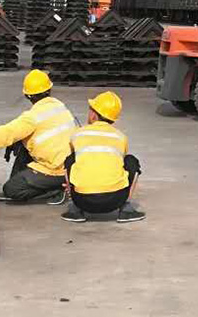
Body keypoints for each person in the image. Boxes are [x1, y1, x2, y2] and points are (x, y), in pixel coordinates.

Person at [0, 69, 75, 204]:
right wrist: (17, 141)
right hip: (71, 166)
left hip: (56, 170)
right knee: (20, 142)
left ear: (27, 96)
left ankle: (56, 192)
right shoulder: (59, 106)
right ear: (49, 90)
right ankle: (51, 184)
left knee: (12, 190)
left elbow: (6, 133)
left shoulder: (32, 117)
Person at [61, 91, 145, 223]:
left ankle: (75, 210)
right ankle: (126, 209)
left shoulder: (78, 134)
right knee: (131, 161)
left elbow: (73, 158)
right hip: (115, 200)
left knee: (70, 159)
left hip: (82, 200)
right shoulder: (120, 137)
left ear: (94, 115)